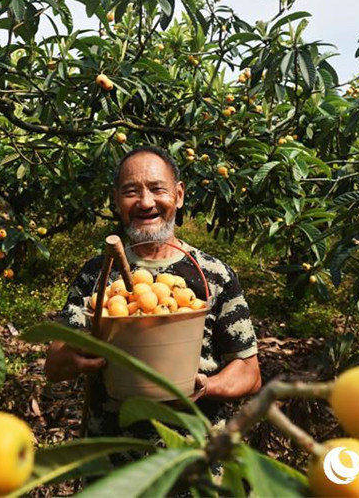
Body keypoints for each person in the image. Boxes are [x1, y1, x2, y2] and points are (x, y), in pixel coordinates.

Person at [44, 146, 261, 437]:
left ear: (179, 195)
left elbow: (249, 371)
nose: (146, 203)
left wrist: (205, 386)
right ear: (117, 201)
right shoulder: (97, 274)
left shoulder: (214, 274)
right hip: (113, 453)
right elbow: (53, 367)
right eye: (131, 192)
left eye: (158, 189)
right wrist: (75, 356)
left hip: (194, 453)